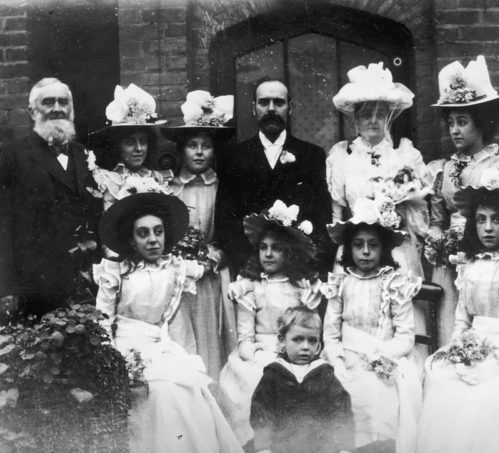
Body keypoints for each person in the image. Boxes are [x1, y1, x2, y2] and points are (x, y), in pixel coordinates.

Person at [93, 190, 243, 453]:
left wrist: (220, 253)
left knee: (191, 391)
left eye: (158, 231)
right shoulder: (117, 273)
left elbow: (204, 266)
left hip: (162, 347)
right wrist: (115, 362)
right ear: (131, 238)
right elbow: (102, 322)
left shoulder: (174, 267)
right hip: (127, 351)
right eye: (143, 233)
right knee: (160, 393)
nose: (153, 240)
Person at [415, 169, 499, 453]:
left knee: (493, 395)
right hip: (472, 349)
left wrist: (497, 363)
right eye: (481, 220)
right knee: (439, 375)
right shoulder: (471, 264)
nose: (488, 227)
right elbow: (462, 318)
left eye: (496, 219)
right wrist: (456, 351)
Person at [425, 55, 499, 346]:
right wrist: (438, 241)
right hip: (448, 264)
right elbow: (436, 221)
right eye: (451, 122)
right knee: (450, 334)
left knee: (484, 331)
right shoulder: (442, 169)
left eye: (463, 122)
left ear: (481, 123)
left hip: (485, 260)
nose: (455, 129)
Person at [217, 200, 323, 448]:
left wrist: (293, 350)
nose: (268, 254)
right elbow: (244, 336)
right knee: (252, 380)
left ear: (289, 252)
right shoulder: (250, 285)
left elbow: (310, 328)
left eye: (276, 248)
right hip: (260, 351)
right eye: (263, 247)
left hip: (296, 349)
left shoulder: (302, 285)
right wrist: (253, 352)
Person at [323, 197, 422, 453]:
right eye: (358, 245)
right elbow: (331, 335)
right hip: (346, 356)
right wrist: (337, 359)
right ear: (349, 249)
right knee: (333, 387)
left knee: (377, 392)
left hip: (382, 358)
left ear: (384, 249)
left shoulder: (394, 283)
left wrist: (380, 357)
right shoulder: (340, 283)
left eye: (373, 245)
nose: (365, 251)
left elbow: (405, 337)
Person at [0, 77, 102, 321]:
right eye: (48, 102)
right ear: (32, 111)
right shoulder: (12, 156)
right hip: (32, 286)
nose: (57, 108)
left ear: (71, 109)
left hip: (81, 283)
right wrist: (7, 287)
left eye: (63, 102)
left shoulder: (82, 155)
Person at [214, 77, 332, 275]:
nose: (271, 109)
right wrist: (248, 262)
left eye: (278, 102)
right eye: (263, 102)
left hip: (298, 271)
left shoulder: (312, 156)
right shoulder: (232, 157)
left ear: (290, 107)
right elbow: (225, 221)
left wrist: (303, 262)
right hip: (249, 272)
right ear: (253, 108)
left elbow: (322, 217)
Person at [161, 90, 236, 386]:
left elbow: (228, 234)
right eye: (192, 145)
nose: (200, 152)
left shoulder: (221, 187)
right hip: (176, 275)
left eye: (206, 145)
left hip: (209, 276)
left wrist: (210, 258)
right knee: (180, 340)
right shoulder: (167, 187)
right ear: (181, 150)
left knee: (209, 337)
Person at [327, 62, 429, 278]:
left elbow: (420, 214)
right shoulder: (342, 159)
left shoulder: (403, 156)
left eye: (380, 114)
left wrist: (399, 215)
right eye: (366, 115)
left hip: (396, 250)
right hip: (356, 250)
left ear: (388, 119)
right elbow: (336, 216)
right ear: (356, 120)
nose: (373, 120)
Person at [250, 306, 355, 453]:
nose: (305, 347)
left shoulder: (324, 373)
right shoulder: (273, 374)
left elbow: (341, 413)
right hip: (282, 446)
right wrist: (263, 447)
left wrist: (345, 447)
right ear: (283, 340)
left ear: (319, 344)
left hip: (319, 446)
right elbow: (261, 414)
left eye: (312, 341)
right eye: (297, 340)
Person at [90, 83, 167, 211]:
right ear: (117, 146)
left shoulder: (157, 178)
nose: (139, 148)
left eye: (143, 142)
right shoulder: (108, 180)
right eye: (130, 143)